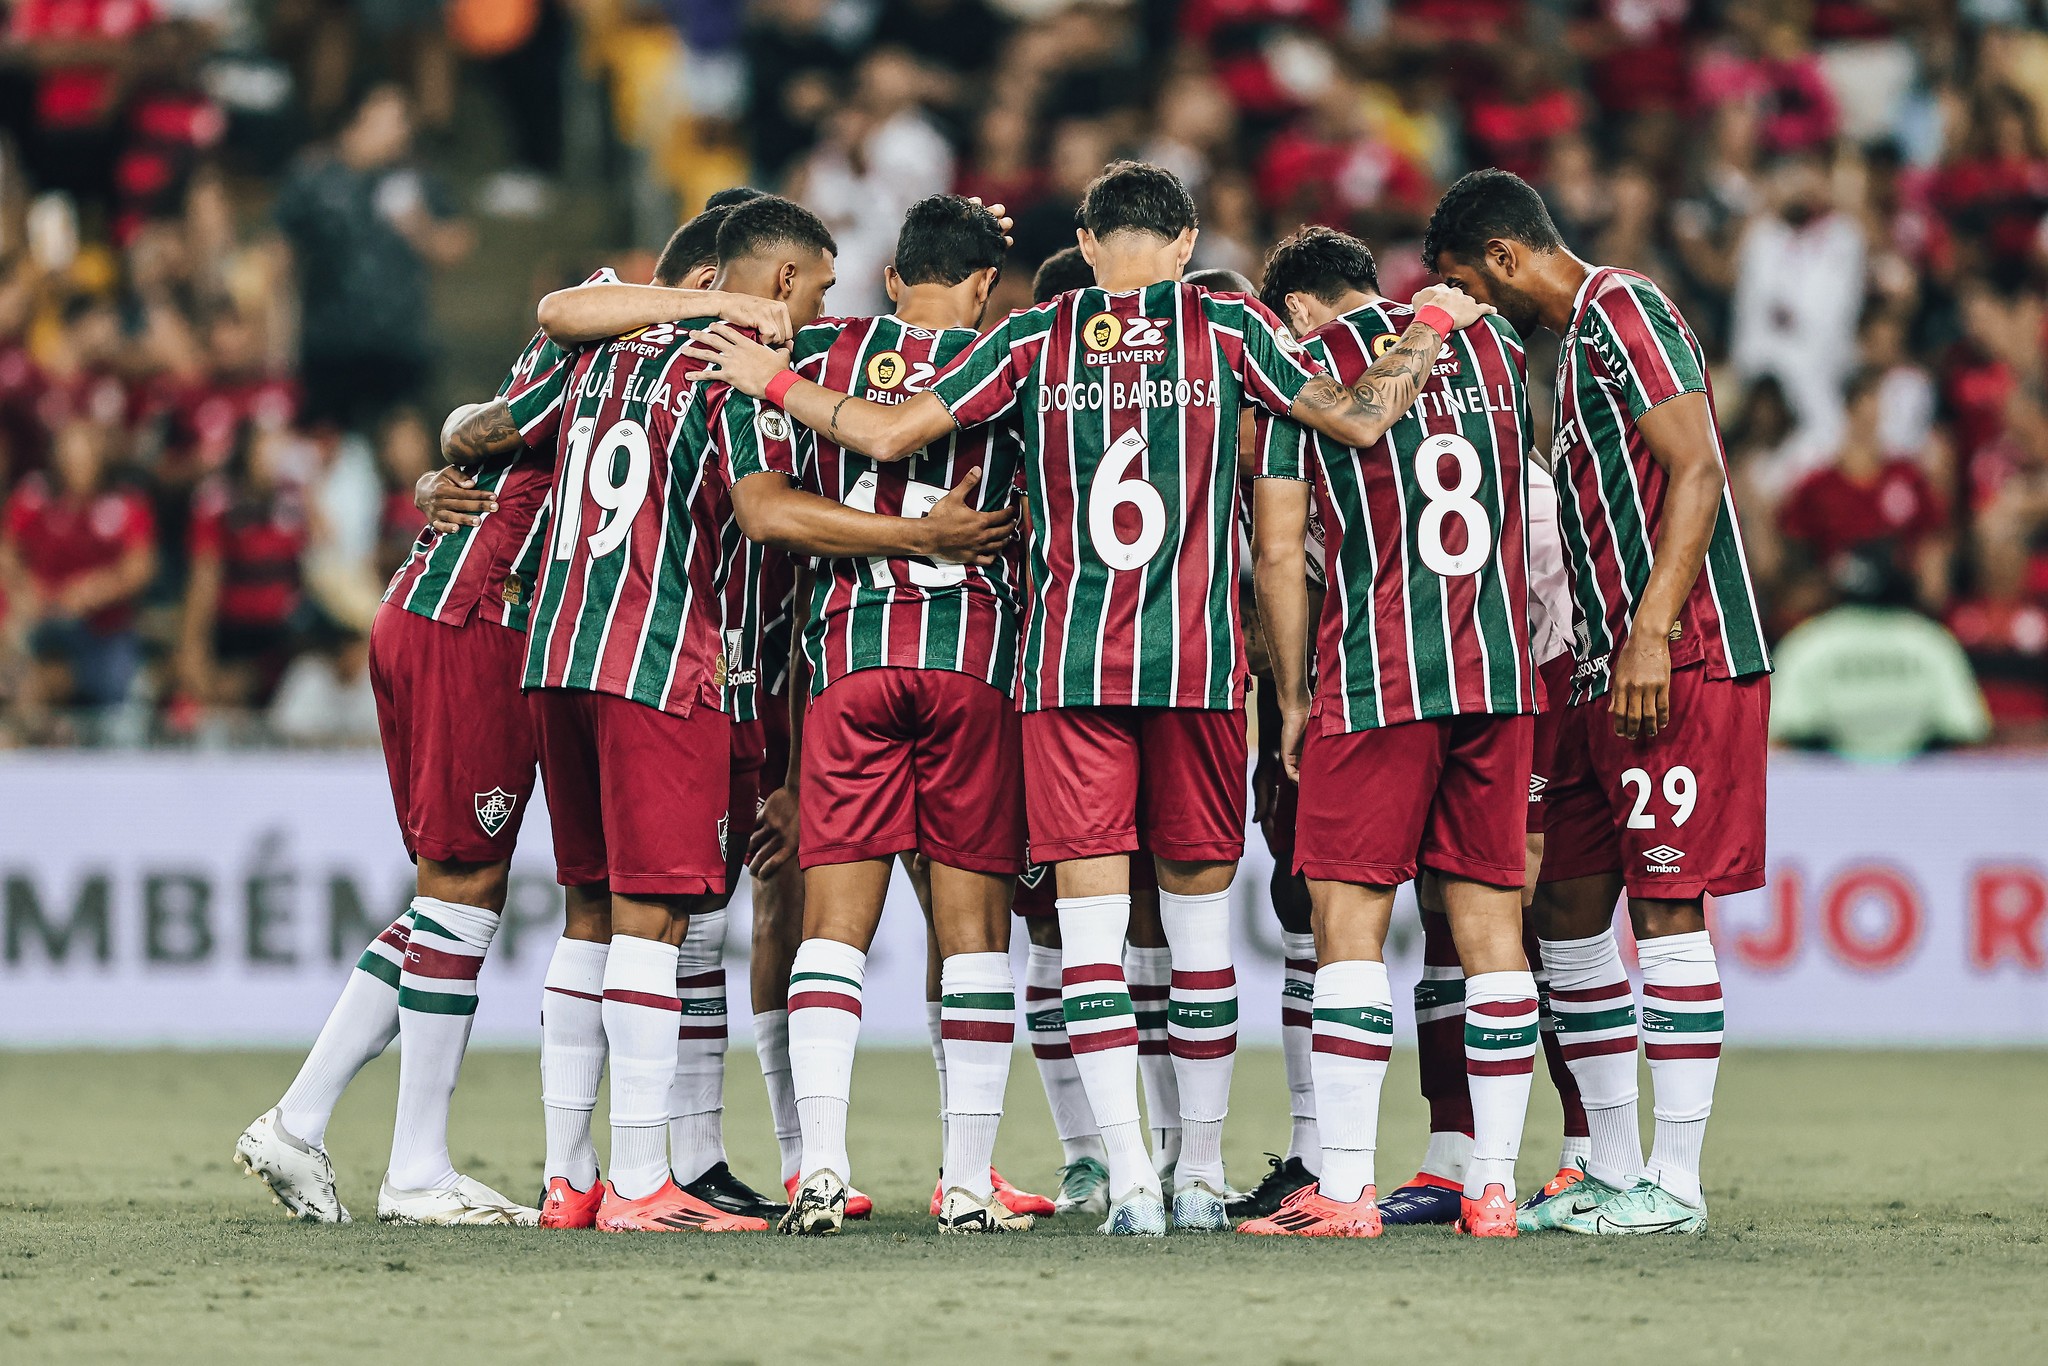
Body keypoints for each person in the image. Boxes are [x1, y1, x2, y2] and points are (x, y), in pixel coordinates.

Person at [683, 161, 1497, 1235]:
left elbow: (883, 437)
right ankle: (1197, 1176)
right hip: (1197, 674)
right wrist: (1426, 328)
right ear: (1183, 241)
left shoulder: (1031, 339)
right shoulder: (1234, 329)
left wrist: (775, 382)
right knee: (1200, 936)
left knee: (1090, 937)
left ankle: (1124, 1183)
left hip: (1061, 675)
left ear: (1083, 234)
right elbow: (1352, 423)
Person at [462, 192, 1012, 1235]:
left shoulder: (603, 354)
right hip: (660, 659)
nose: (815, 309)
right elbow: (764, 511)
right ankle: (638, 1182)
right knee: (653, 920)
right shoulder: (737, 372)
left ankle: (568, 1178)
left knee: (587, 911)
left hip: (559, 651)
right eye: (810, 287)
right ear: (771, 282)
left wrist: (446, 465)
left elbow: (545, 330)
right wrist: (915, 539)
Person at [231, 245, 791, 1227]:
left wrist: (437, 466)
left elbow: (479, 424)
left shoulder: (606, 349)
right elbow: (546, 338)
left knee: (450, 896)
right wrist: (443, 465)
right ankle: (411, 1168)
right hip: (481, 615)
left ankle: (304, 1119)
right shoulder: (630, 336)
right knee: (464, 896)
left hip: (445, 605)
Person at [1426, 168, 1772, 1235]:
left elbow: (1697, 471)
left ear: (1498, 258)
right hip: (1596, 671)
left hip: (1679, 654)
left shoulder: (1623, 307)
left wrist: (1652, 634)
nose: (1468, 310)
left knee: (1667, 908)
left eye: (1461, 286)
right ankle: (1610, 1170)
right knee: (1566, 909)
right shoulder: (1568, 354)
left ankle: (1673, 1183)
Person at [1240, 225, 1540, 1239]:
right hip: (1495, 673)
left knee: (1347, 930)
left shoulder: (1302, 363)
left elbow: (1280, 554)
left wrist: (1287, 697)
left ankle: (1345, 1186)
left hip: (1375, 678)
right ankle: (1489, 1187)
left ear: (1294, 307)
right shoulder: (1494, 346)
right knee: (1492, 930)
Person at [0, 420, 154, 737]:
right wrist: (25, 588)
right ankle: (26, 739)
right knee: (15, 648)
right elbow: (7, 552)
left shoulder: (125, 503)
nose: (76, 466)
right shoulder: (34, 496)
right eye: (70, 457)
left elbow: (140, 567)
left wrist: (97, 589)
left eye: (84, 457)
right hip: (43, 617)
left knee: (112, 687)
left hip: (103, 626)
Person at [1771, 547, 1989, 762]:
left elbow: (1781, 740)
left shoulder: (1810, 641)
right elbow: (1967, 733)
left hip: (1828, 789)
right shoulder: (1930, 641)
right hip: (1917, 788)